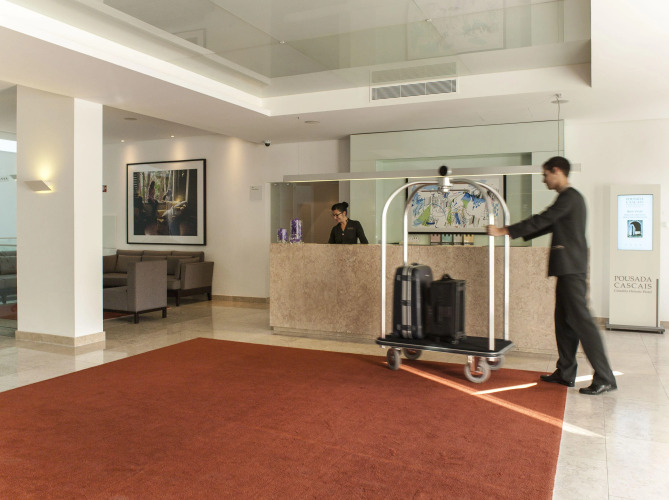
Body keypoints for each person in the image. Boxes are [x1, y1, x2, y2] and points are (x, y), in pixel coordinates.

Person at [487, 156, 616, 395]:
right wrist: (511, 233)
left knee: (583, 324)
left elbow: (543, 219)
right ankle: (565, 372)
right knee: (564, 322)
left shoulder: (570, 197)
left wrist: (503, 230)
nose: (544, 180)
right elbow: (548, 224)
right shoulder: (568, 199)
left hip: (571, 269)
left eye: (545, 175)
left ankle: (605, 377)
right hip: (567, 269)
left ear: (557, 171)